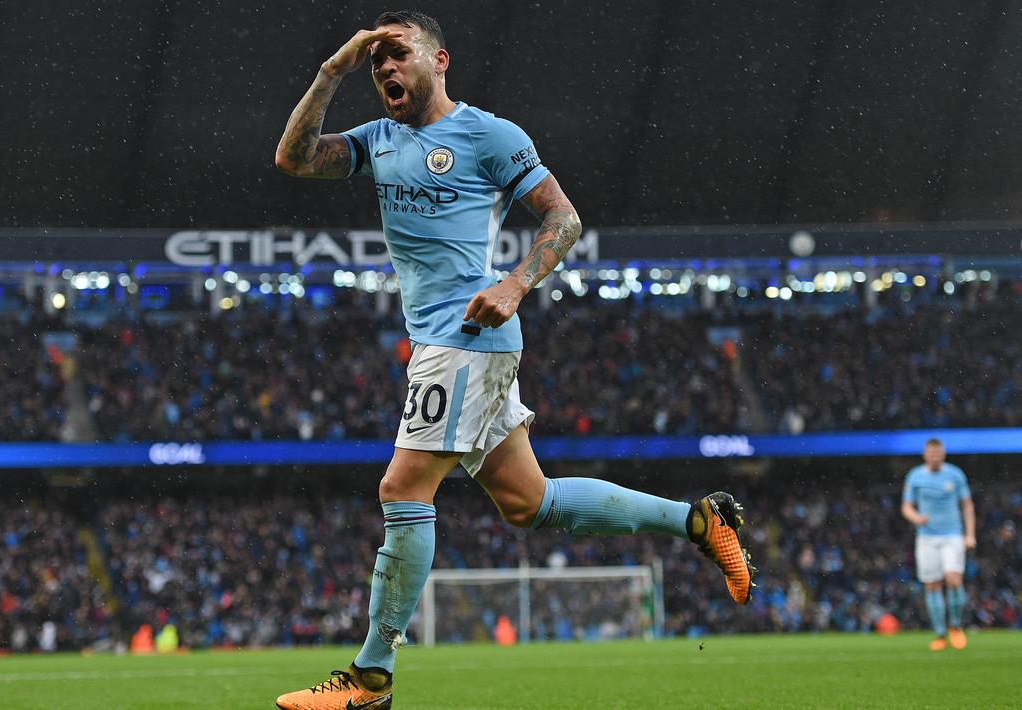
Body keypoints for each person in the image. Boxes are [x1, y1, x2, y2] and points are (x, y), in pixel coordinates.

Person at [273, 11, 755, 709]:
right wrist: (329, 71)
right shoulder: (377, 140)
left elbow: (563, 218)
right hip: (449, 342)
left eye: (396, 52)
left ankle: (371, 677)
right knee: (531, 505)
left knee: (402, 491)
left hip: (463, 336)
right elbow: (291, 158)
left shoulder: (488, 135)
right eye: (373, 60)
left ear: (439, 61)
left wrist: (515, 281)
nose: (383, 68)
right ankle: (697, 520)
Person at [901, 438, 976, 651]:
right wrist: (915, 517)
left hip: (952, 534)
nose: (935, 457)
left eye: (938, 454)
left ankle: (955, 626)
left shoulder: (955, 474)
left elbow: (967, 505)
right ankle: (940, 634)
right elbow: (906, 507)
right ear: (925, 455)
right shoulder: (915, 476)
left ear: (943, 454)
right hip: (927, 537)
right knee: (932, 584)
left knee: (953, 578)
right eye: (931, 454)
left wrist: (970, 534)